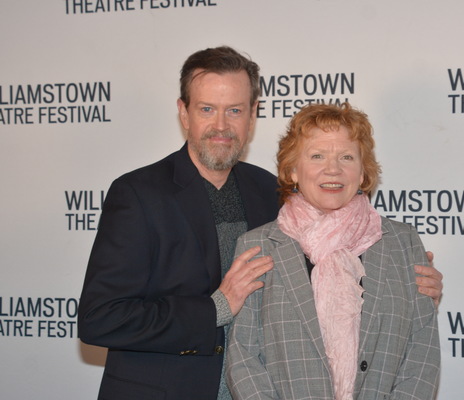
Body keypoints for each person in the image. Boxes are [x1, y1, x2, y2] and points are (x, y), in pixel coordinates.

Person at [78, 46, 442, 400]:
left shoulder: (270, 191)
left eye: (234, 110)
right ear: (184, 113)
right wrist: (216, 307)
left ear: (252, 115)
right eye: (207, 109)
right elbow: (100, 319)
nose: (221, 126)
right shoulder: (138, 194)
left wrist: (406, 290)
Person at [227, 103, 440, 399]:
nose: (333, 169)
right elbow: (244, 358)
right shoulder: (258, 246)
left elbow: (422, 353)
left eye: (346, 157)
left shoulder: (403, 244)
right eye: (317, 156)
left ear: (363, 172)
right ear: (292, 170)